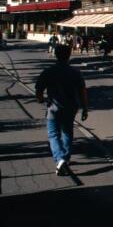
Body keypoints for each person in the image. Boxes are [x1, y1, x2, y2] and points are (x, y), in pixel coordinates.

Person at [35, 44, 88, 176]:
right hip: (71, 108)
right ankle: (66, 159)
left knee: (53, 134)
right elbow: (82, 92)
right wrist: (85, 108)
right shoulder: (75, 72)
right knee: (67, 133)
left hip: (53, 108)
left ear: (55, 55)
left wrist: (40, 99)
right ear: (69, 56)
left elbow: (39, 89)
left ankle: (60, 159)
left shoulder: (49, 71)